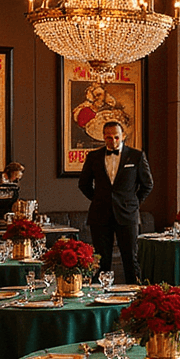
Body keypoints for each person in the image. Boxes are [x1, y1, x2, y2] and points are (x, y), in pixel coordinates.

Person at [78, 121, 153, 284]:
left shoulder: (136, 156)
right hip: (100, 214)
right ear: (103, 137)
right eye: (109, 137)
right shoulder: (93, 157)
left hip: (127, 214)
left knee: (130, 259)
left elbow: (147, 184)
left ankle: (134, 297)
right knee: (100, 260)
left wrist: (132, 203)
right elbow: (83, 184)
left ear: (123, 136)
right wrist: (99, 199)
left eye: (116, 137)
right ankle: (98, 299)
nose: (113, 141)